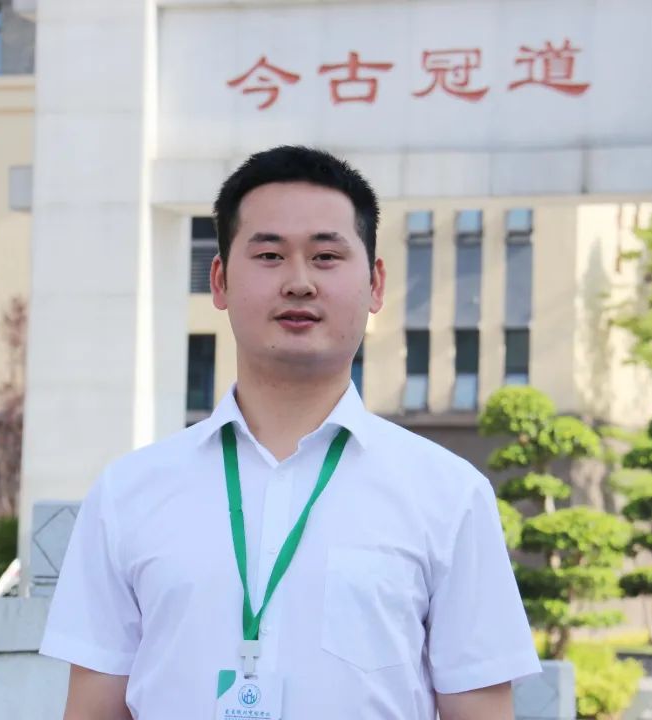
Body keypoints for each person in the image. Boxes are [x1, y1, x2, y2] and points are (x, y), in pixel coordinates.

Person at [40, 146, 540, 719]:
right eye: (270, 255)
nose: (299, 282)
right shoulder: (128, 492)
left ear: (375, 284)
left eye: (326, 256)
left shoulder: (448, 495)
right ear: (220, 281)